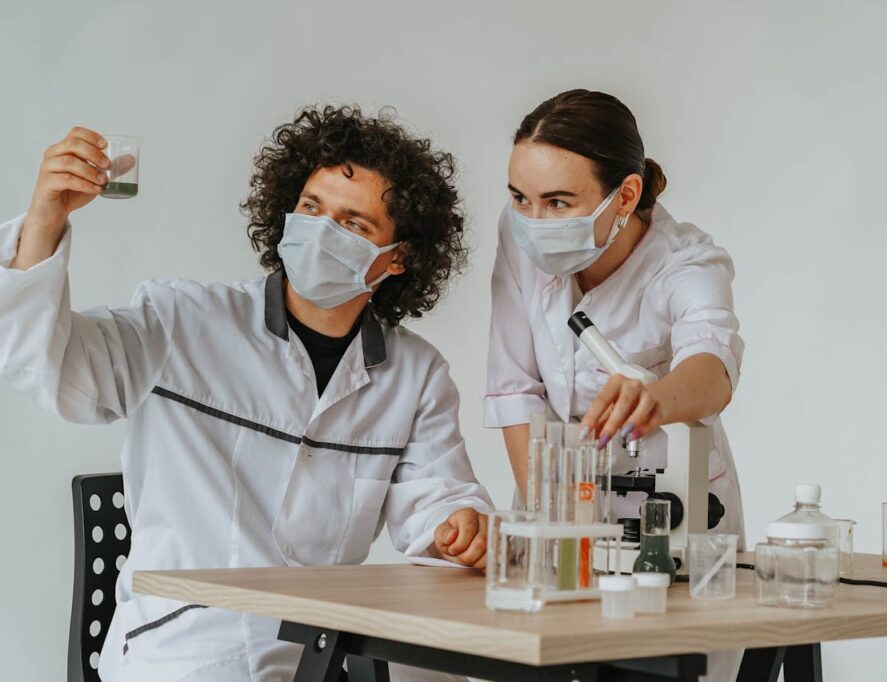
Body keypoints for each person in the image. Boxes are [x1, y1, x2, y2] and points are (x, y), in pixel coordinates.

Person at [0, 106, 492, 681]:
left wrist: (462, 526)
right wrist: (43, 221)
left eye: (353, 225)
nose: (323, 232)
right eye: (311, 209)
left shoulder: (416, 375)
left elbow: (437, 503)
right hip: (183, 650)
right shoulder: (180, 321)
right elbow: (47, 367)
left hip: (317, 651)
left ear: (398, 258)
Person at [484, 89, 745, 681]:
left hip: (671, 520)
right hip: (562, 501)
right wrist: (551, 524)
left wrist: (655, 398)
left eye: (558, 201)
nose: (534, 221)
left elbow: (713, 366)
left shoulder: (685, 262)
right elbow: (515, 385)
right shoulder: (521, 233)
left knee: (657, 664)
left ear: (625, 194)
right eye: (520, 198)